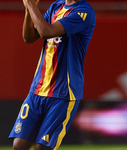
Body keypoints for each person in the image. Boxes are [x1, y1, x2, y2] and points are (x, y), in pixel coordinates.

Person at [9, 0, 95, 150]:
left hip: (63, 93)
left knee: (42, 148)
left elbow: (46, 32)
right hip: (38, 88)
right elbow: (29, 38)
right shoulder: (56, 6)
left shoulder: (83, 13)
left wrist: (31, 5)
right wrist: (28, 10)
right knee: (19, 145)